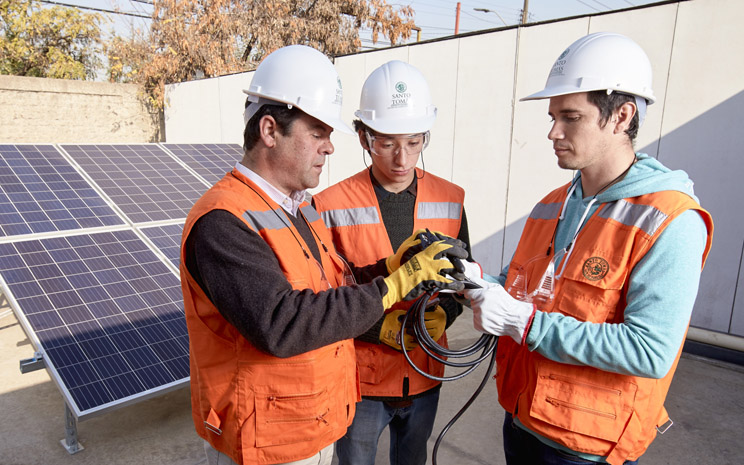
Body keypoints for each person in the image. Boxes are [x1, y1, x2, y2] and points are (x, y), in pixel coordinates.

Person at [179, 45, 467, 465]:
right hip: (265, 441)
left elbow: (335, 287)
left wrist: (388, 266)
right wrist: (395, 284)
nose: (330, 148)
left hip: (311, 423)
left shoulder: (297, 208)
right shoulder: (223, 222)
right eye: (318, 134)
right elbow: (283, 323)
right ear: (270, 130)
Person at [461, 32, 714, 465]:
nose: (552, 132)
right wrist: (474, 281)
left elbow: (649, 351)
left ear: (621, 116)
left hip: (588, 447)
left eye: (570, 117)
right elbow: (522, 284)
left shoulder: (671, 219)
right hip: (522, 419)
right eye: (553, 116)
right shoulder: (553, 205)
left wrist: (526, 325)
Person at [313, 60, 471, 465]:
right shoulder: (329, 206)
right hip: (363, 379)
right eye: (386, 143)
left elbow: (462, 277)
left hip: (426, 370)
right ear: (364, 137)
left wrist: (447, 314)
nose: (402, 158)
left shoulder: (451, 198)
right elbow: (322, 296)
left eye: (415, 142)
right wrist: (374, 328)